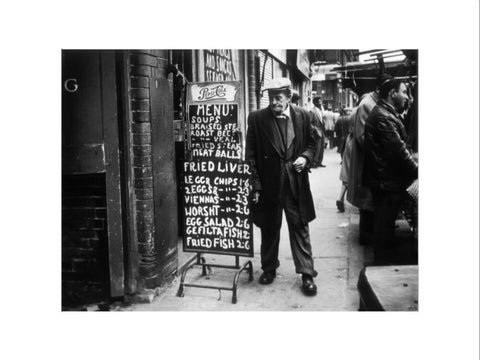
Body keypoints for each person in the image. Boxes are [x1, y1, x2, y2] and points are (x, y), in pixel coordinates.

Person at [246, 77, 318, 296]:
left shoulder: (303, 116)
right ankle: (269, 268)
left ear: (288, 97)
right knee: (269, 227)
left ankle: (307, 273)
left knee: (300, 226)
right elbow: (250, 156)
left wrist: (305, 157)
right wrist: (256, 185)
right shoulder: (257, 118)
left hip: (295, 184)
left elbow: (312, 144)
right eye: (270, 98)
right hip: (269, 185)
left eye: (278, 97)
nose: (274, 102)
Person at [363, 78, 418, 264]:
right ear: (392, 93)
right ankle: (382, 264)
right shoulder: (384, 116)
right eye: (404, 92)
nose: (407, 97)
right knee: (383, 226)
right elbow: (398, 152)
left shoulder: (385, 113)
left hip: (384, 180)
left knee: (384, 224)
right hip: (385, 182)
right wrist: (417, 171)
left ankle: (383, 260)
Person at [347, 74, 390, 244]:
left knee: (370, 202)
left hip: (371, 161)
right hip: (366, 162)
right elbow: (362, 137)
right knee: (366, 202)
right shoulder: (367, 104)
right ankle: (365, 238)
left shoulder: (375, 102)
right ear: (380, 89)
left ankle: (368, 236)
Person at [336, 109, 354, 212]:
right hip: (354, 144)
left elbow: (337, 129)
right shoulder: (356, 115)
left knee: (346, 172)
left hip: (347, 141)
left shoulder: (341, 119)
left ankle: (340, 198)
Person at [309, 96, 326, 167]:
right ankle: (314, 162)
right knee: (317, 147)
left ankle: (319, 162)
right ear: (315, 103)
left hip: (322, 131)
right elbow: (309, 122)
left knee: (321, 147)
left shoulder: (320, 110)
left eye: (321, 101)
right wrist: (314, 129)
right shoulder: (312, 111)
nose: (321, 103)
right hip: (316, 132)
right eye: (319, 101)